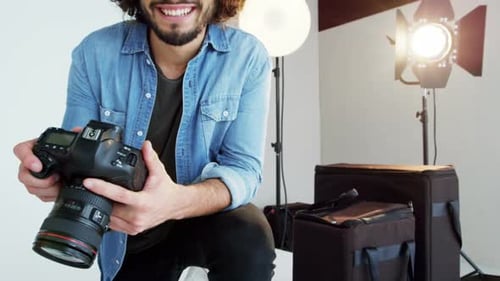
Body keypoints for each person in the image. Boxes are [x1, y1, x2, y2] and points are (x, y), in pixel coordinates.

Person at [13, 0, 276, 280]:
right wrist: (49, 171)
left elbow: (243, 170)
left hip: (204, 215)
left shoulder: (247, 56)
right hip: (129, 232)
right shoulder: (95, 52)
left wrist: (175, 202)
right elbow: (80, 158)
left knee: (249, 235)